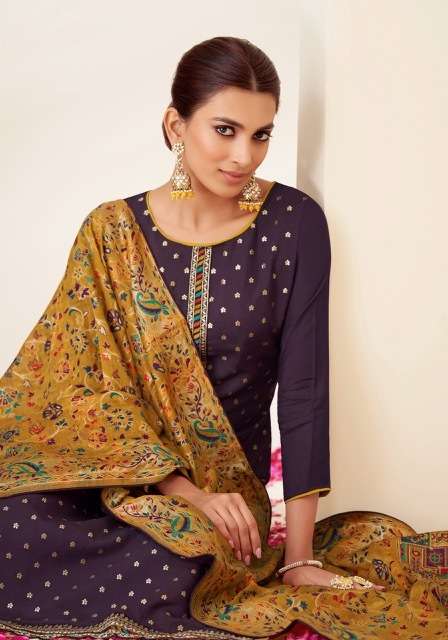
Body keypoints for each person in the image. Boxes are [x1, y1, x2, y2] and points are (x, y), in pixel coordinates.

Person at [0, 36, 447, 640]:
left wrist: (298, 558)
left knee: (179, 560)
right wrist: (179, 488)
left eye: (261, 135)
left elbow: (305, 390)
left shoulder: (293, 224)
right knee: (12, 518)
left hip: (225, 498)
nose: (245, 156)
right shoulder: (110, 232)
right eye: (226, 130)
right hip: (113, 473)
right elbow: (79, 388)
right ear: (175, 126)